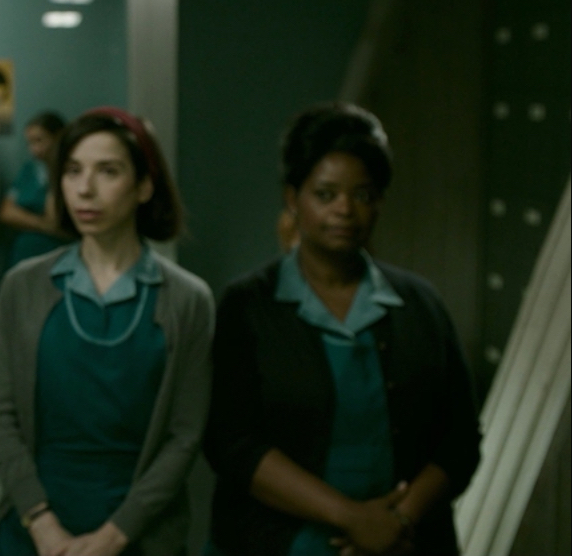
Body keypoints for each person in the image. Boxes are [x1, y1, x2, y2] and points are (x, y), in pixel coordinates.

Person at [202, 102, 481, 556]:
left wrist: (395, 522)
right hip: (279, 544)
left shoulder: (420, 305)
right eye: (325, 194)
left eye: (363, 195)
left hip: (401, 543)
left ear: (380, 202)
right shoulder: (249, 305)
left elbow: (461, 442)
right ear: (292, 199)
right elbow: (231, 443)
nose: (345, 210)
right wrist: (352, 518)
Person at [0, 108, 214, 556]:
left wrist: (114, 536)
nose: (85, 188)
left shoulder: (186, 300)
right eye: (73, 171)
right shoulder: (24, 285)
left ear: (144, 185)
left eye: (108, 171)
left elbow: (184, 435)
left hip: (138, 527)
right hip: (34, 521)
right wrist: (42, 524)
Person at [0, 110, 68, 269]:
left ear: (58, 137)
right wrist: (43, 225)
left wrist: (54, 168)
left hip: (55, 254)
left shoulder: (68, 172)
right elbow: (6, 212)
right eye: (30, 143)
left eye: (40, 140)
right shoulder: (29, 170)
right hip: (23, 254)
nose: (34, 149)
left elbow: (54, 220)